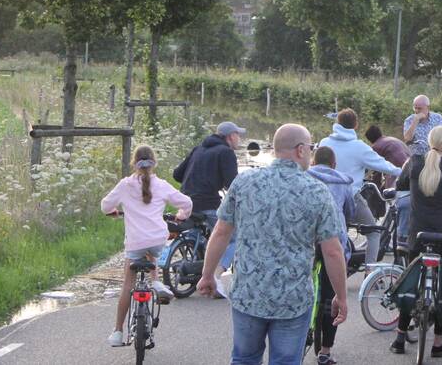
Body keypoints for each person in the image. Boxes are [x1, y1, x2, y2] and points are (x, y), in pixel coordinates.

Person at [198, 124, 349, 365]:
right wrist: (340, 296)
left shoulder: (244, 183)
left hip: (249, 294)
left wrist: (208, 275)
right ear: (300, 150)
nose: (311, 153)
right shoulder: (317, 192)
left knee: (244, 359)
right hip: (292, 299)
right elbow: (332, 251)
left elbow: (221, 233)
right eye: (310, 148)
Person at [391, 126, 442, 357]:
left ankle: (399, 338)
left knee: (410, 283)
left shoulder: (414, 164)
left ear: (429, 142)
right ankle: (437, 344)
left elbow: (399, 186)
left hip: (417, 237)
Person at [101, 145, 192, 347]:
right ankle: (157, 282)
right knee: (152, 248)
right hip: (158, 239)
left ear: (134, 163)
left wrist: (114, 211)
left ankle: (117, 332)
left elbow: (105, 206)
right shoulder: (161, 184)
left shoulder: (125, 185)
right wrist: (180, 216)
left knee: (127, 285)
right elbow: (186, 203)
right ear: (154, 163)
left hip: (135, 243)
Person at [319, 108, 401, 268]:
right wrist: (403, 171)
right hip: (350, 198)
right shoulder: (359, 147)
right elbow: (384, 166)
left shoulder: (324, 143)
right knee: (374, 232)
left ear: (337, 123)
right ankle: (369, 273)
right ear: (356, 125)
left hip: (324, 197)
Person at [172, 120, 243, 295]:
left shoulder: (199, 149)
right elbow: (233, 184)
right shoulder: (226, 152)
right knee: (232, 238)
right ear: (230, 136)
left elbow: (177, 174)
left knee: (205, 233)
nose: (240, 139)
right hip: (207, 203)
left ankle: (201, 266)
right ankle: (216, 277)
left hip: (186, 203)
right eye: (238, 135)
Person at [307, 146, 356, 365]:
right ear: (334, 164)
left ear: (312, 161)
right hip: (334, 241)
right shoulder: (343, 182)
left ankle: (299, 337)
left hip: (306, 241)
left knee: (302, 288)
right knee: (332, 296)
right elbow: (350, 212)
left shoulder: (304, 176)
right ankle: (325, 351)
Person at [364, 124, 410, 188]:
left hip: (398, 170)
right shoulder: (390, 139)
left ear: (370, 139)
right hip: (409, 166)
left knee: (388, 191)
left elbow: (376, 168)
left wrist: (375, 185)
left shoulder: (376, 146)